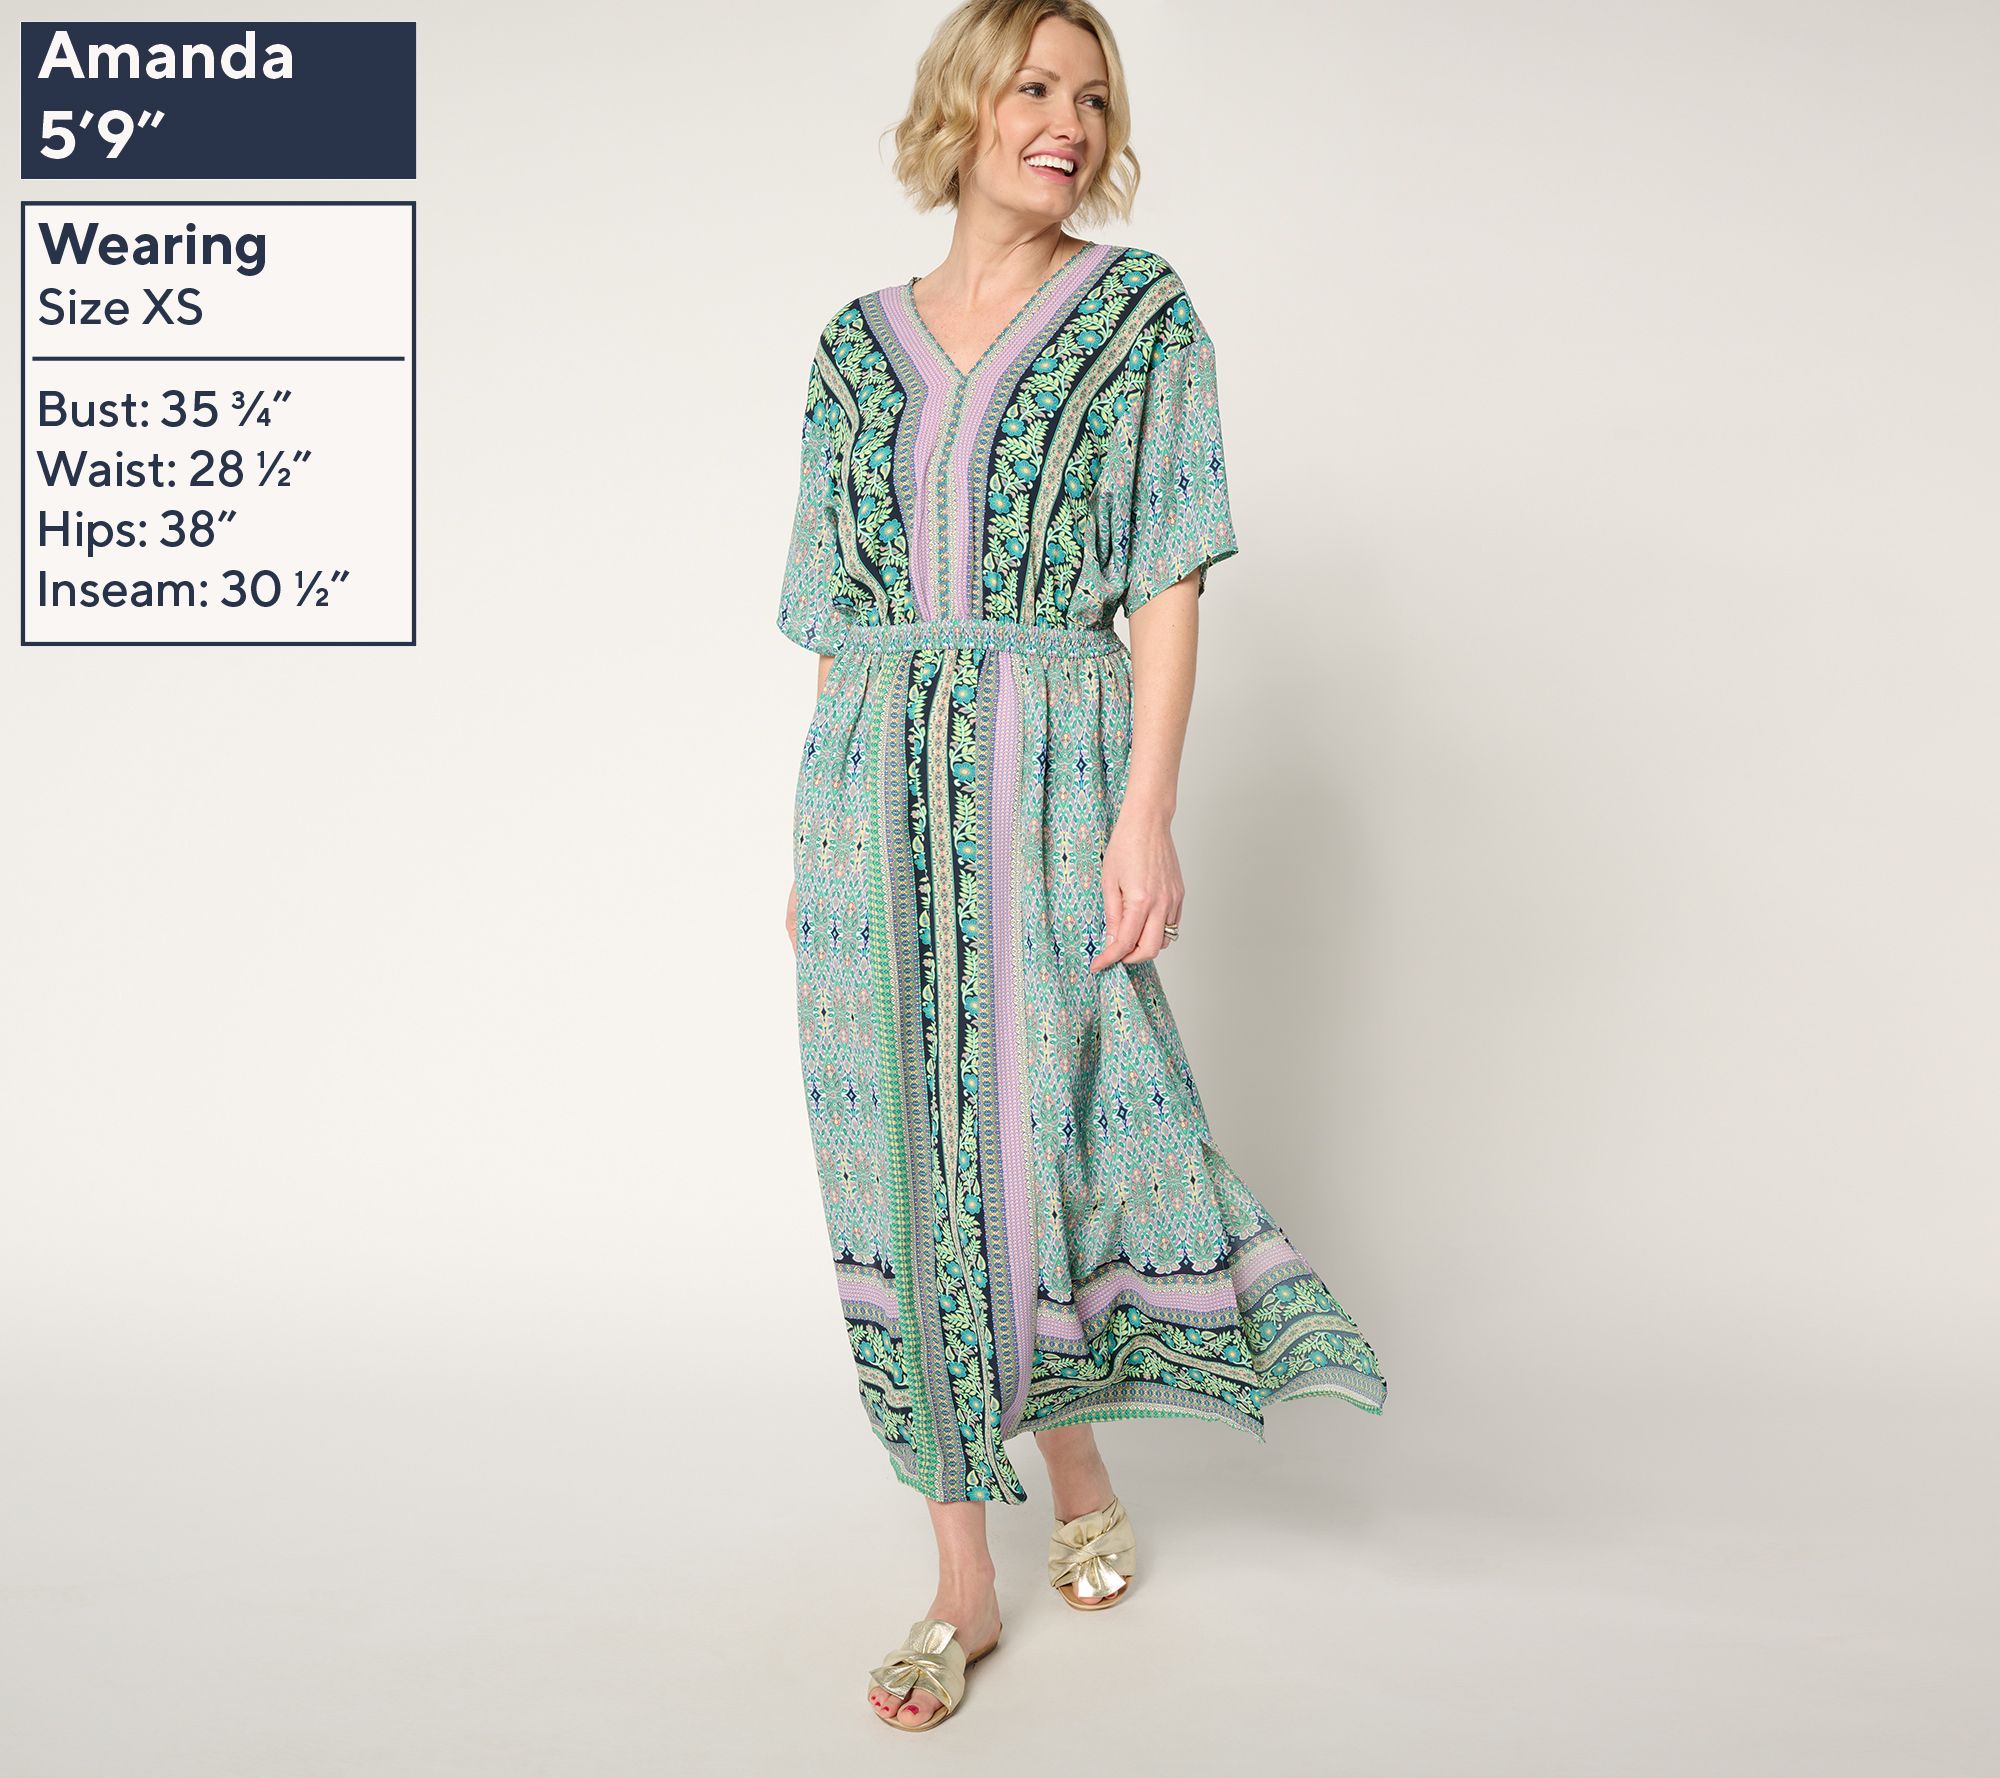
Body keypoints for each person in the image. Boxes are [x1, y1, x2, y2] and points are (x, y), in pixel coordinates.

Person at [778, 0, 1388, 1732]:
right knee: (905, 1160)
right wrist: (820, 841)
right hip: (871, 782)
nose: (1068, 119)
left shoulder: (1138, 313)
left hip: (1054, 763)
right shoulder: (852, 347)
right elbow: (834, 611)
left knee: (1047, 1125)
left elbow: (1170, 573)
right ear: (966, 106)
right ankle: (963, 1575)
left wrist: (1146, 809)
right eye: (1036, 86)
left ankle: (1083, 1459)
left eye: (1095, 97)